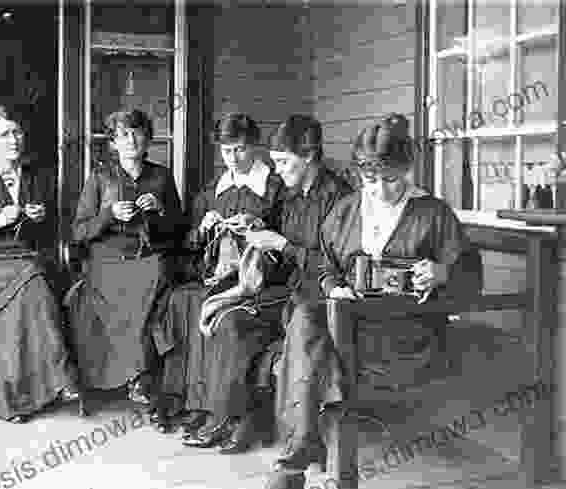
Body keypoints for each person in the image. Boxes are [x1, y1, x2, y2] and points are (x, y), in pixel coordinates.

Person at [265, 113, 469, 489]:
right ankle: (305, 467)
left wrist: (441, 273)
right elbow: (326, 266)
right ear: (360, 174)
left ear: (407, 169)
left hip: (405, 335)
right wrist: (332, 286)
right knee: (308, 319)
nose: (380, 191)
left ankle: (294, 468)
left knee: (307, 349)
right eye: (370, 179)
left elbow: (470, 278)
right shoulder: (345, 211)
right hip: (347, 325)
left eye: (391, 179)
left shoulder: (433, 213)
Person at [181, 115, 353, 453]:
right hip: (289, 289)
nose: (279, 170)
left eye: (284, 162)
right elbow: (280, 245)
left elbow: (340, 266)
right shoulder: (290, 196)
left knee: (235, 323)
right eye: (275, 163)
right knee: (224, 316)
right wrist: (255, 227)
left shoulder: (338, 198)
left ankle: (236, 421)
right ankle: (231, 417)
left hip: (320, 299)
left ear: (309, 156)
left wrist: (281, 245)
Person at [0, 106, 80, 424]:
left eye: (18, 132)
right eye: (5, 134)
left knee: (40, 280)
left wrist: (40, 219)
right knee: (34, 280)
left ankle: (24, 398)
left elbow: (49, 234)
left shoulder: (34, 176)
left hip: (22, 263)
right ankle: (62, 374)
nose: (14, 139)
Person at [157, 113, 285, 436]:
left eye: (240, 150)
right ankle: (193, 402)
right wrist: (203, 228)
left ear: (255, 146)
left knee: (211, 306)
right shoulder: (215, 189)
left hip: (258, 277)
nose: (232, 158)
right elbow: (188, 242)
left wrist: (257, 228)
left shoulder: (275, 187)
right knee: (182, 300)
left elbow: (285, 243)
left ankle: (218, 408)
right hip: (218, 273)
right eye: (226, 151)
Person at [66, 109, 184, 405]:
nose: (131, 140)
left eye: (137, 133)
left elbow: (180, 229)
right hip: (106, 262)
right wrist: (108, 214)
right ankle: (137, 376)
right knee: (122, 289)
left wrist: (159, 210)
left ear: (147, 138)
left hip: (148, 258)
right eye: (123, 135)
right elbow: (79, 231)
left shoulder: (161, 176)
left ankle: (139, 378)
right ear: (113, 143)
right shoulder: (100, 177)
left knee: (155, 273)